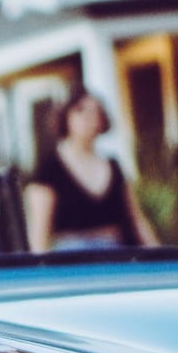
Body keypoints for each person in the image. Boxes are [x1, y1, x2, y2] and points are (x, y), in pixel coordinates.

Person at [24, 90, 159, 251]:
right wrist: (40, 269)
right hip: (71, 261)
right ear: (66, 116)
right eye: (80, 110)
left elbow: (136, 219)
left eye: (96, 110)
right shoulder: (49, 168)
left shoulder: (114, 166)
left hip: (115, 255)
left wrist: (158, 254)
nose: (90, 117)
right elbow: (39, 230)